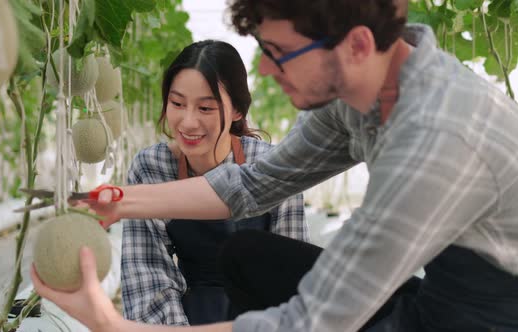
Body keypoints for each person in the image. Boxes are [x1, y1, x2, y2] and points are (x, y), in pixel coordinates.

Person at [32, 0, 518, 331]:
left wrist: (118, 328)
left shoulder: (436, 137)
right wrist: (118, 202)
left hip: (489, 320)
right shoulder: (360, 96)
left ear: (357, 45)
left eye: (278, 53)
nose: (263, 70)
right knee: (250, 257)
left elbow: (313, 321)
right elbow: (253, 184)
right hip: (439, 299)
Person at [119, 40, 307, 325]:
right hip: (186, 319)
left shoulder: (271, 165)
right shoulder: (152, 168)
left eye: (206, 108)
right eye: (177, 103)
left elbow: (291, 277)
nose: (187, 122)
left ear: (237, 111)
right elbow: (148, 278)